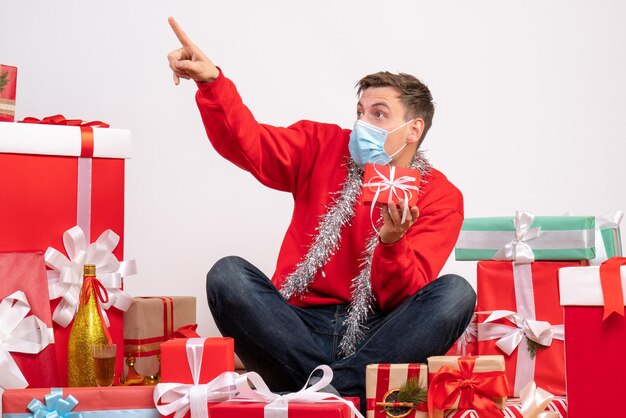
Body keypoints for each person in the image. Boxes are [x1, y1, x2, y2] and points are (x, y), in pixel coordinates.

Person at [167, 17, 475, 410]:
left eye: (379, 114)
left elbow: (408, 298)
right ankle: (347, 395)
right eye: (360, 111)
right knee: (227, 274)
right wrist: (212, 82)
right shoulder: (321, 145)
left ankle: (319, 395)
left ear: (413, 130)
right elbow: (252, 145)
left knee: (456, 294)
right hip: (294, 328)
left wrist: (392, 244)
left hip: (377, 337)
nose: (362, 123)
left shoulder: (441, 196)